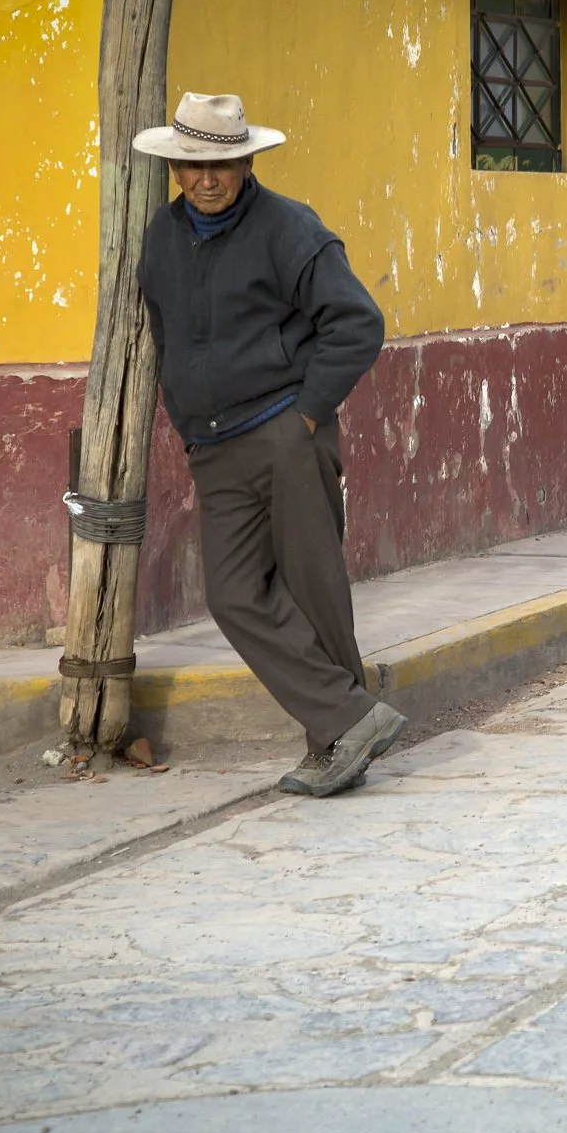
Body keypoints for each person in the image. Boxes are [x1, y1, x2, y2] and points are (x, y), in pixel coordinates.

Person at [133, 91, 404, 797]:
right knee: (233, 595)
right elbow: (164, 331)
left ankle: (335, 742)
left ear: (248, 160)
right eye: (193, 165)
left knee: (314, 589)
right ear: (176, 167)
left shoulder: (289, 229)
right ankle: (352, 718)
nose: (208, 178)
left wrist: (307, 416)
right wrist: (186, 419)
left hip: (288, 434)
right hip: (216, 451)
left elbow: (357, 323)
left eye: (223, 163)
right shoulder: (161, 237)